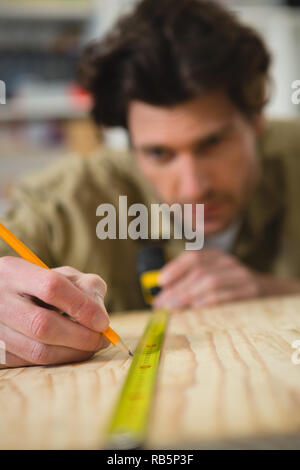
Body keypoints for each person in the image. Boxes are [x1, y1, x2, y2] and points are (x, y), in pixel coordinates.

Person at [1, 0, 300, 368]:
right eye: (159, 153)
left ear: (256, 121)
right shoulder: (67, 201)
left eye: (212, 144)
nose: (193, 188)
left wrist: (275, 290)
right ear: (129, 146)